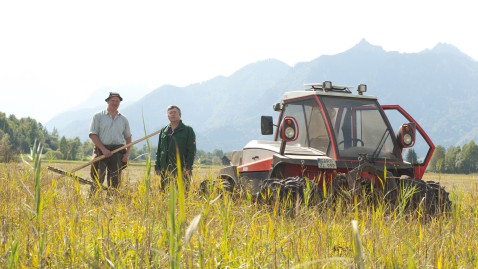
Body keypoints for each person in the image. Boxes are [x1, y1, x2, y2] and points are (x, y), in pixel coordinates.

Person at [89, 92, 132, 195]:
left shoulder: (123, 119)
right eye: (112, 100)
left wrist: (127, 154)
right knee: (97, 176)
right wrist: (103, 149)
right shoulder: (98, 116)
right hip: (101, 149)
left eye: (117, 101)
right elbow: (93, 134)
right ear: (108, 101)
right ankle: (94, 201)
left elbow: (128, 137)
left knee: (115, 179)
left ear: (119, 103)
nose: (115, 103)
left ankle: (112, 202)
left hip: (118, 151)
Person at [155, 105, 196, 190]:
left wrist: (188, 166)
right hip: (165, 168)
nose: (172, 114)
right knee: (165, 193)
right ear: (168, 116)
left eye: (175, 112)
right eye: (170, 113)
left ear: (180, 114)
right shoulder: (164, 131)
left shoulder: (188, 130)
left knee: (182, 193)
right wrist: (157, 166)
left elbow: (191, 150)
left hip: (181, 168)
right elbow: (159, 150)